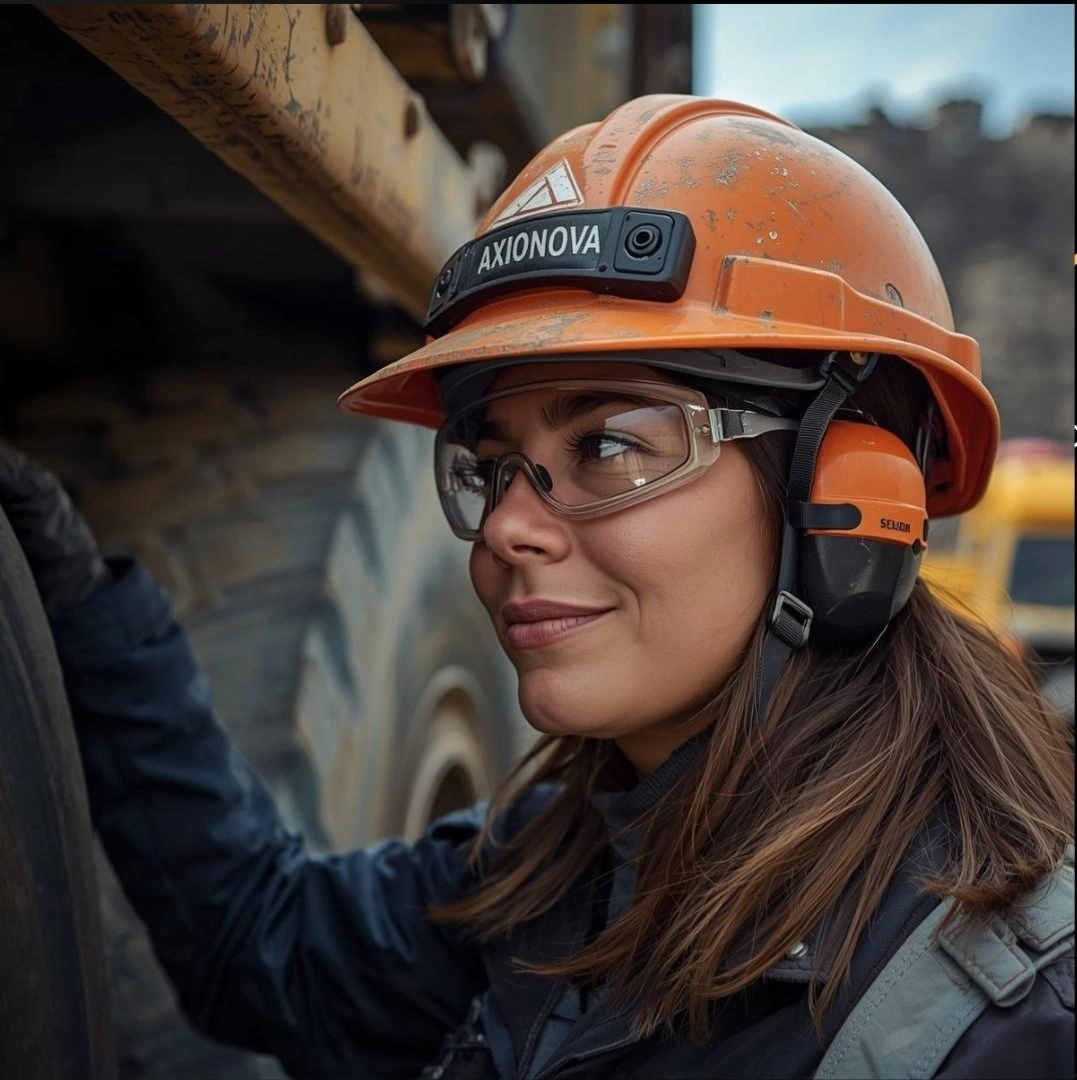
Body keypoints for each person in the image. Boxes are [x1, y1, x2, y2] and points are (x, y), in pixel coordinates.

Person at [1, 95, 1072, 1080]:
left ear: (849, 495)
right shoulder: (559, 864)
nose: (508, 525)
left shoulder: (1007, 1022)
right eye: (488, 463)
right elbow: (264, 947)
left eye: (608, 442)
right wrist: (87, 611)